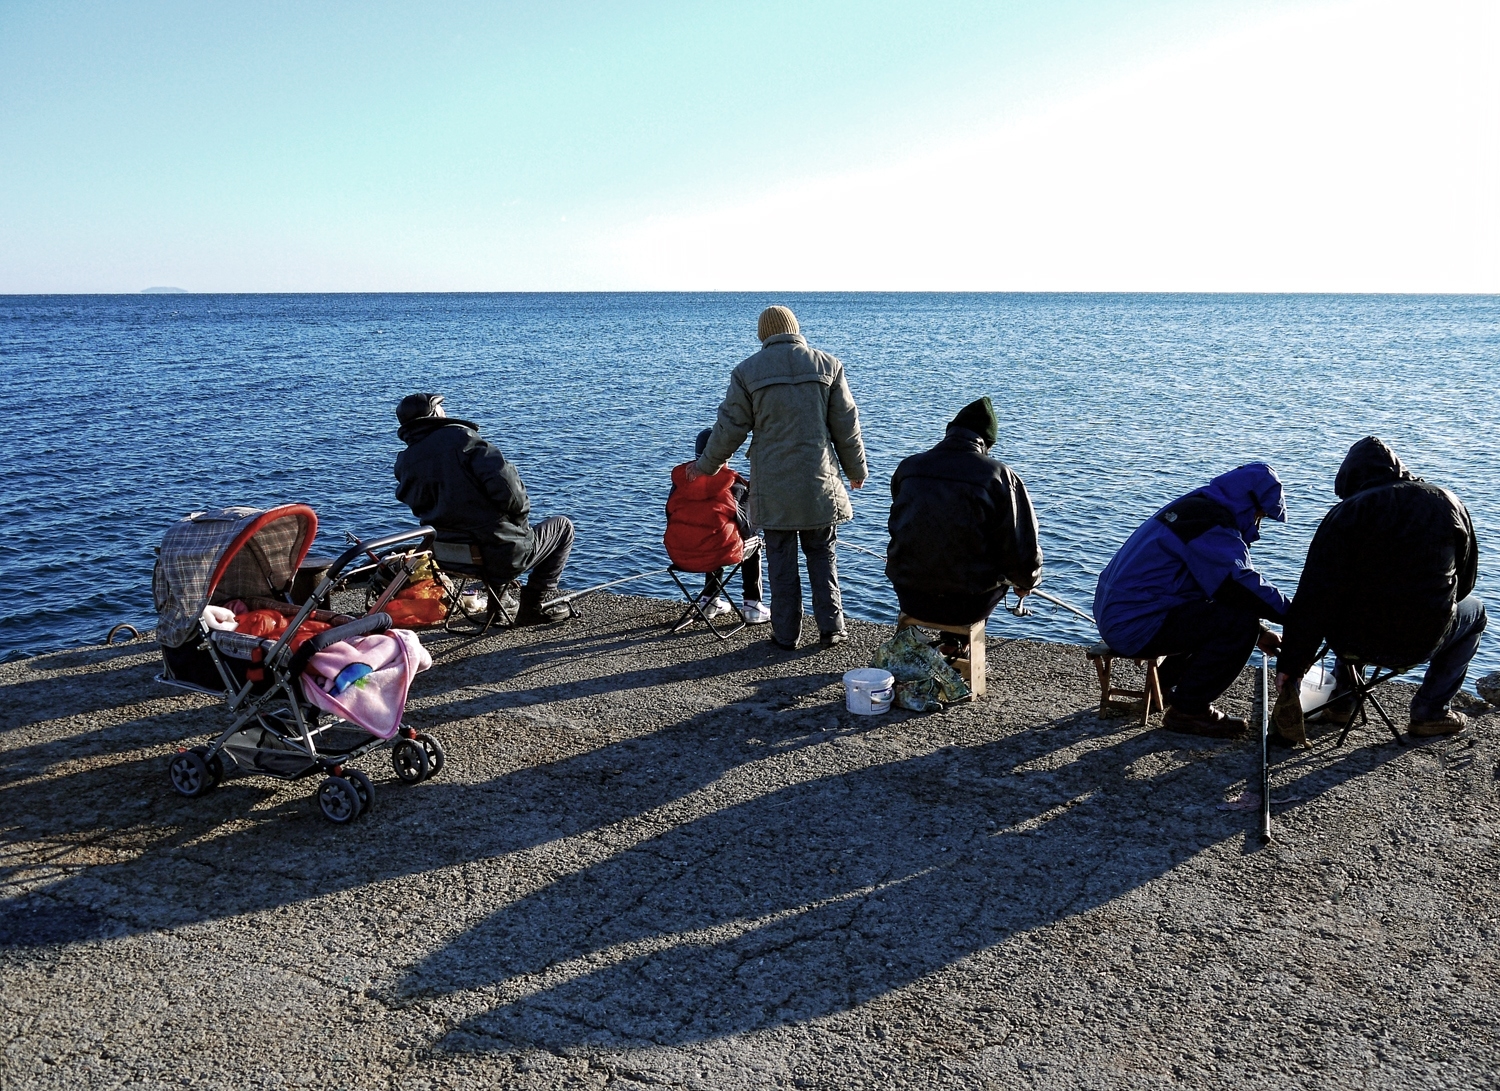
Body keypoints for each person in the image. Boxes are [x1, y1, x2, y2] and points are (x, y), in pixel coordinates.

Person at [1275, 436, 1484, 740]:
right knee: (1475, 611)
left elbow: (1313, 599)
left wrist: (1292, 667)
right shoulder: (1447, 502)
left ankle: (1344, 701)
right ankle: (1431, 711)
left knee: (1345, 600)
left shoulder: (1345, 513)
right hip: (1423, 641)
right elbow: (1464, 586)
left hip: (1352, 642)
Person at [688, 305, 867, 649]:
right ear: (796, 329)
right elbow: (846, 425)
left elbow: (729, 429)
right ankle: (832, 629)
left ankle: (786, 635)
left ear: (763, 335)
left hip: (774, 485)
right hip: (820, 481)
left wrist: (706, 466)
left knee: (781, 562)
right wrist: (856, 470)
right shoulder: (828, 365)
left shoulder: (747, 372)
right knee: (822, 556)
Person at [1093, 463, 1290, 738]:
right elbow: (1238, 584)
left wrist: (1262, 633)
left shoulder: (1194, 507)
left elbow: (1210, 587)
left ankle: (1163, 687)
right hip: (1135, 625)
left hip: (1118, 614)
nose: (1258, 524)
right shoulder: (1210, 523)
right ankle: (1189, 710)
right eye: (1260, 516)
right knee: (1241, 623)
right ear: (1250, 504)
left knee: (1228, 616)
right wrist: (1294, 615)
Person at [392, 393, 574, 625]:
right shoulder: (463, 439)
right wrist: (518, 520)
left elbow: (413, 503)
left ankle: (501, 605)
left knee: (487, 529)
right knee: (562, 527)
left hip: (447, 556)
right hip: (496, 553)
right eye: (441, 408)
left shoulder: (405, 460)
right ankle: (534, 606)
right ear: (434, 414)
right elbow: (511, 492)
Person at [885, 396, 1042, 628]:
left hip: (908, 594)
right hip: (966, 605)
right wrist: (1027, 582)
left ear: (950, 432)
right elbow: (1021, 546)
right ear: (987, 442)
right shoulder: (998, 476)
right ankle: (960, 646)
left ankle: (943, 646)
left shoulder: (908, 467)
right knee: (992, 576)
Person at [664, 428, 770, 624]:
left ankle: (709, 600)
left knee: (710, 533)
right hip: (715, 552)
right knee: (752, 542)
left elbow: (669, 515)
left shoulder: (680, 483)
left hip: (678, 554)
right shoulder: (734, 486)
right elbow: (748, 528)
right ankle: (752, 605)